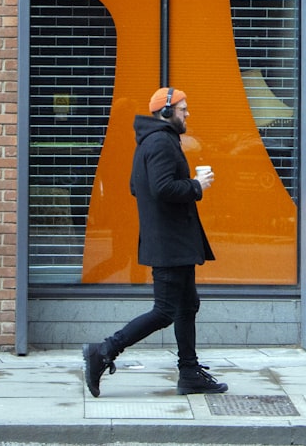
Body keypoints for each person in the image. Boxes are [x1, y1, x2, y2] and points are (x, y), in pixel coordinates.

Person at [83, 86, 228, 397]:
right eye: (183, 109)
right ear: (167, 112)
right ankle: (104, 350)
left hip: (173, 240)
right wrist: (196, 185)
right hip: (170, 243)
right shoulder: (161, 142)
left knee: (188, 304)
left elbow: (137, 187)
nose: (187, 114)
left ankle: (189, 372)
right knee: (164, 311)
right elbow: (162, 188)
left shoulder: (150, 141)